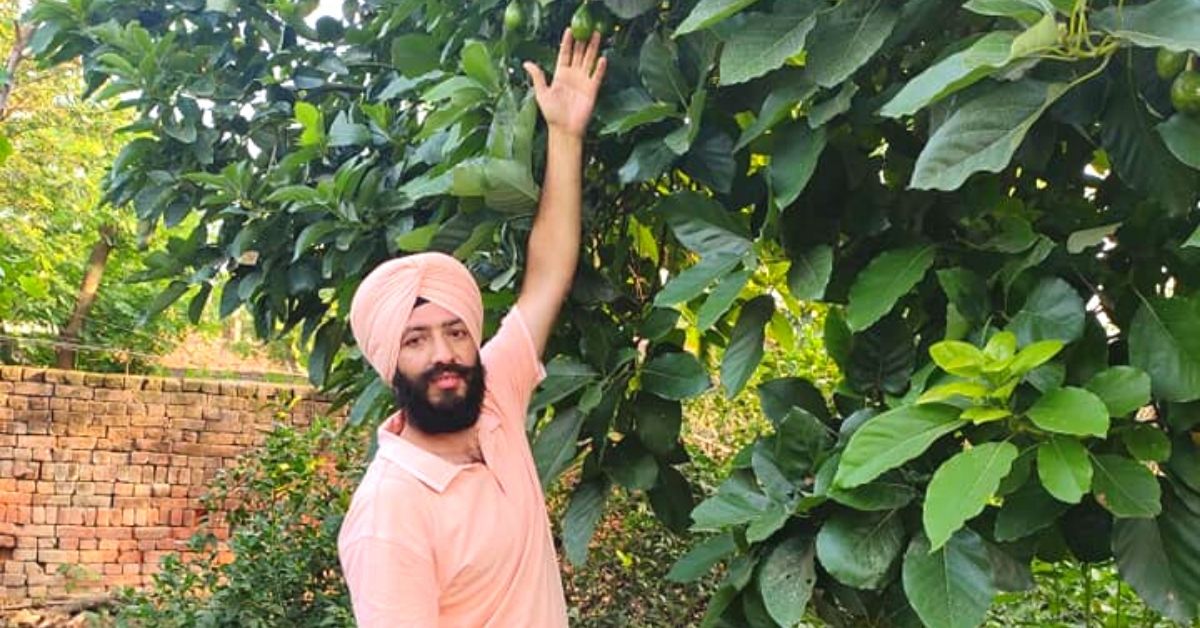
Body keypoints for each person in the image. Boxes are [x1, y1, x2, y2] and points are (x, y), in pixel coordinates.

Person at [337, 28, 607, 628]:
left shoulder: (495, 404)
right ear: (389, 363)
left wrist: (564, 134)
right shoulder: (390, 513)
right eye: (416, 340)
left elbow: (546, 276)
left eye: (456, 332)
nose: (446, 355)